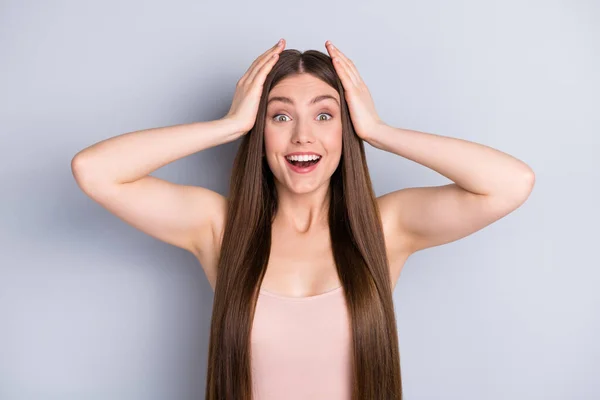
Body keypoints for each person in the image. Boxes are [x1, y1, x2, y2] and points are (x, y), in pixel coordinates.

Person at [71, 38, 535, 400]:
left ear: (345, 128)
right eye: (280, 117)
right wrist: (229, 125)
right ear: (260, 131)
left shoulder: (384, 228)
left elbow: (511, 182)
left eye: (324, 115)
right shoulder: (220, 228)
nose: (302, 136)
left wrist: (378, 131)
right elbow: (94, 171)